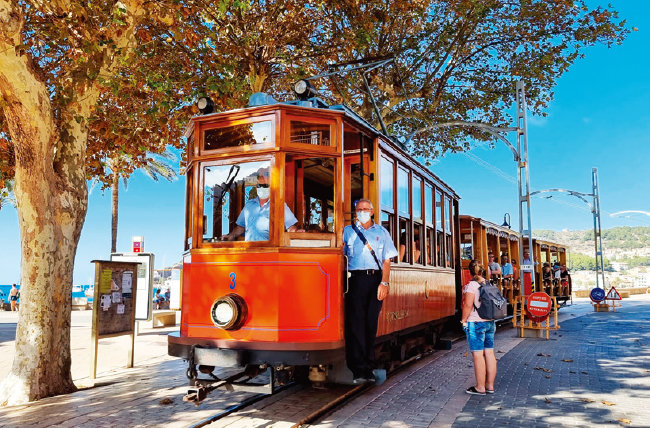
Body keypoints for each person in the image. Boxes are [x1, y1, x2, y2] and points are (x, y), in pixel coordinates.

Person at [343, 198, 398, 384]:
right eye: (359, 209)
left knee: (370, 323)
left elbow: (387, 260)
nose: (362, 212)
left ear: (372, 211)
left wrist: (384, 283)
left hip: (375, 279)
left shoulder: (382, 232)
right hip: (354, 280)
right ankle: (359, 369)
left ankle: (369, 366)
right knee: (356, 324)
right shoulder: (347, 232)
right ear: (355, 211)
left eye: (366, 209)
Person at [224, 168, 302, 241]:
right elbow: (241, 227)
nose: (262, 188)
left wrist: (297, 232)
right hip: (249, 250)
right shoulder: (249, 205)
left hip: (269, 251)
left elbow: (290, 226)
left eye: (265, 186)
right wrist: (230, 236)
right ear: (256, 187)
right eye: (259, 186)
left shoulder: (279, 205)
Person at [461, 260, 497, 396]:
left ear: (470, 272)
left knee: (477, 355)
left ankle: (480, 387)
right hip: (490, 322)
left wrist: (463, 320)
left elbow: (468, 305)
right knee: (489, 353)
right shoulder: (488, 283)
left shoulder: (472, 285)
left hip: (476, 323)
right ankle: (490, 385)